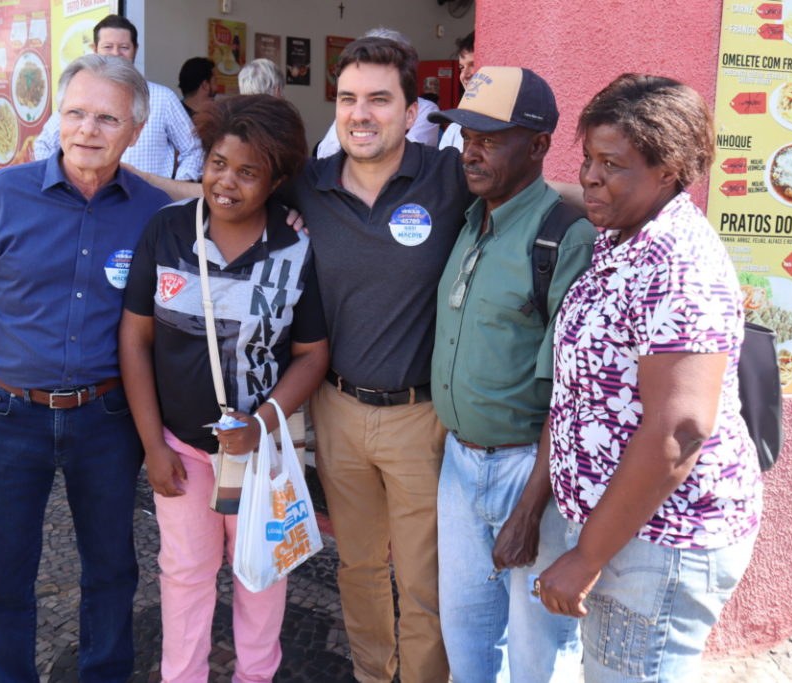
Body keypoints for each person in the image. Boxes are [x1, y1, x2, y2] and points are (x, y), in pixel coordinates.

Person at [0, 54, 171, 681]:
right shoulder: (4, 194)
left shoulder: (153, 212)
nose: (87, 130)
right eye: (76, 113)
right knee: (2, 572)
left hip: (106, 418)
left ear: (134, 131)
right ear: (58, 117)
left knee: (112, 567)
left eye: (106, 118)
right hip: (5, 415)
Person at [537, 73, 762, 681]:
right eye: (587, 158)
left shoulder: (679, 261)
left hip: (663, 542)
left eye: (611, 163)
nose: (588, 175)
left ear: (669, 171)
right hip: (626, 531)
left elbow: (679, 429)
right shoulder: (624, 235)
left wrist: (587, 556)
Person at [278, 36, 473, 683]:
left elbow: (534, 195)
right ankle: (370, 672)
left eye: (379, 100)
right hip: (336, 409)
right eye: (348, 98)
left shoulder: (448, 178)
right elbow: (220, 193)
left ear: (413, 110)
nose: (361, 113)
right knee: (358, 566)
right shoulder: (309, 185)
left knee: (423, 577)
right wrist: (120, 175)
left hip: (420, 417)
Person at [120, 95, 328, 683]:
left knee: (261, 573)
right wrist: (153, 447)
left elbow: (312, 355)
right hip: (181, 450)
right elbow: (134, 341)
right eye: (217, 163)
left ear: (278, 180)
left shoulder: (295, 248)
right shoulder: (166, 231)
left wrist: (262, 421)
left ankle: (254, 676)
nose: (226, 182)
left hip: (261, 456)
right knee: (184, 574)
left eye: (248, 171)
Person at [428, 66, 595, 682]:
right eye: (466, 134)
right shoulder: (474, 217)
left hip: (530, 470)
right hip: (460, 462)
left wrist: (530, 508)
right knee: (466, 634)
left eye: (490, 137)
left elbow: (572, 399)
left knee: (538, 651)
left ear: (539, 145)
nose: (471, 150)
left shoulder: (562, 238)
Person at [34, 14, 203, 181]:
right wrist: (59, 186)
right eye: (108, 47)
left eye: (124, 47)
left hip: (148, 204)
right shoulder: (79, 95)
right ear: (95, 49)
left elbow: (194, 149)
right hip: (88, 202)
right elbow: (45, 144)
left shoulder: (163, 98)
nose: (115, 53)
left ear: (135, 49)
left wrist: (177, 188)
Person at [314, 28, 439, 158]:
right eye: (348, 99)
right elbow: (325, 154)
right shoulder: (354, 111)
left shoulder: (425, 109)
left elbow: (407, 157)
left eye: (379, 100)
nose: (359, 116)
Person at [438, 31, 475, 152]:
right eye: (461, 67)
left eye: (472, 65)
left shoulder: (510, 127)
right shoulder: (454, 129)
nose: (464, 75)